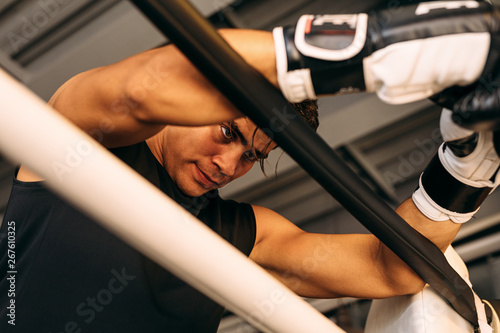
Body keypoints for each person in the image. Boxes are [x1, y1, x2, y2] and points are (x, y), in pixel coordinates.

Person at [1, 1, 500, 332]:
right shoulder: (83, 139)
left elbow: (389, 270)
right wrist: (375, 50)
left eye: (253, 156)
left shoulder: (241, 231)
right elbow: (140, 90)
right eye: (228, 133)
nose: (229, 165)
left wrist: (467, 168)